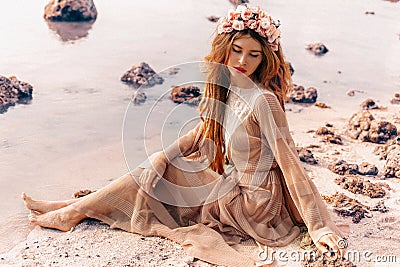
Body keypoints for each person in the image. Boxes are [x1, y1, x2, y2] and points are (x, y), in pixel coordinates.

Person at [22, 4, 347, 267]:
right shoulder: (229, 88)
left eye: (253, 54)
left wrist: (319, 226)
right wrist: (158, 157)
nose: (242, 61)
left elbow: (292, 166)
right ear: (224, 49)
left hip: (255, 204)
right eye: (236, 50)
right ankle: (76, 206)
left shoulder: (265, 101)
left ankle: (73, 212)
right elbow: (201, 132)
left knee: (168, 180)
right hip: (232, 184)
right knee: (161, 167)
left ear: (266, 58)